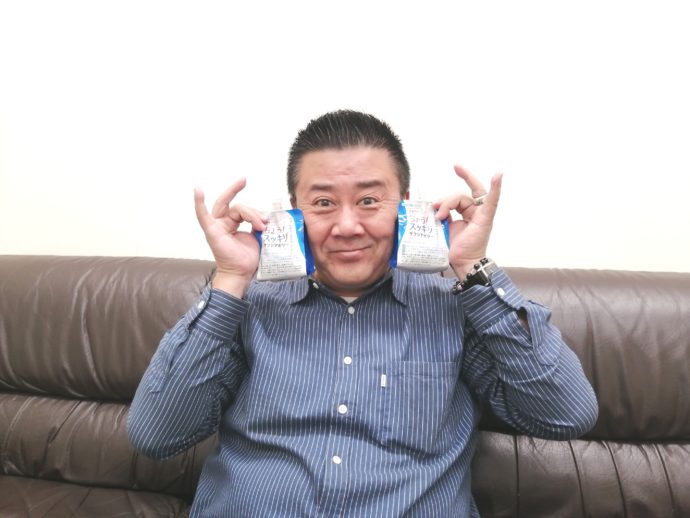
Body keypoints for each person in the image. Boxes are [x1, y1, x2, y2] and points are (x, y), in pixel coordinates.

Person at [127, 110, 598, 517]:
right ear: (294, 212)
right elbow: (156, 435)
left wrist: (472, 268)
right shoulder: (249, 305)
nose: (348, 226)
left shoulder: (454, 305)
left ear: (406, 206)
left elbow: (567, 416)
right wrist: (231, 278)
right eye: (323, 203)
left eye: (370, 200)